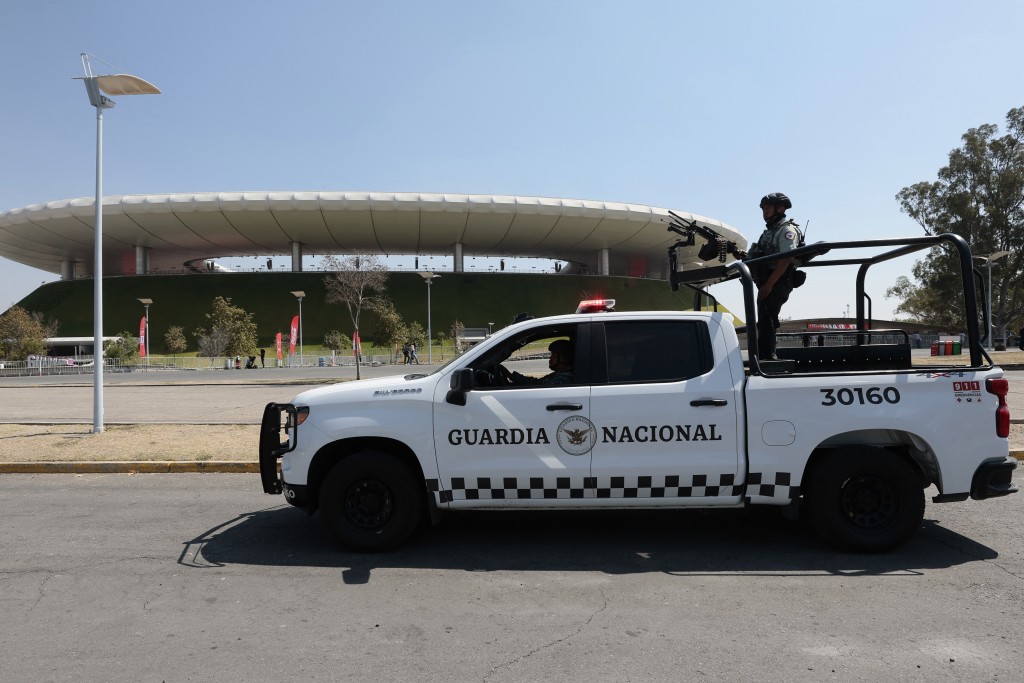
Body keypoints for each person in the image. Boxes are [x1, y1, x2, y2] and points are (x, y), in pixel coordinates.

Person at [743, 192, 803, 361]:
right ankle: (764, 356)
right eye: (763, 208)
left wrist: (769, 284)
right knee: (763, 318)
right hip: (766, 280)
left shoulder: (786, 230)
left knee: (768, 317)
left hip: (777, 280)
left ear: (780, 208)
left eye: (768, 207)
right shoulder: (770, 231)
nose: (765, 210)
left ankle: (769, 358)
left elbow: (786, 258)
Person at [502, 339, 575, 385]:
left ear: (563, 358)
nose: (550, 358)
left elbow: (538, 385)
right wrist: (512, 376)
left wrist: (511, 376)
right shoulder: (559, 375)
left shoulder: (562, 380)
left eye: (553, 355)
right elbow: (537, 382)